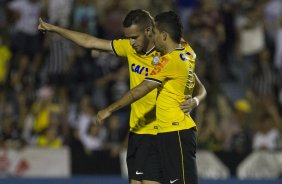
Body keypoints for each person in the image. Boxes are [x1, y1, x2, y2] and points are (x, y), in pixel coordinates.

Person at [38, 9, 206, 184]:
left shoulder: (169, 53)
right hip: (136, 132)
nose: (131, 42)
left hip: (158, 133)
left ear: (149, 31)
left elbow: (198, 87)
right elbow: (89, 42)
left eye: (135, 37)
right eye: (128, 37)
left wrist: (195, 101)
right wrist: (54, 29)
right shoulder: (129, 48)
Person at [97, 11, 205, 184]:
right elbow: (201, 88)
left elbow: (138, 91)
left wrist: (109, 109)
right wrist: (196, 100)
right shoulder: (187, 50)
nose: (151, 37)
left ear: (164, 36)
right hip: (167, 132)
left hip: (176, 131)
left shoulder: (168, 62)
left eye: (154, 33)